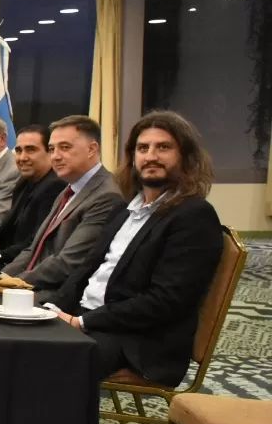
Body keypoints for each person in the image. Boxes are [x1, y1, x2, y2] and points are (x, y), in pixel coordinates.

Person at [48, 111, 224, 387]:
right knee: (6, 337)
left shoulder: (194, 216)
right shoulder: (125, 208)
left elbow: (165, 302)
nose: (151, 156)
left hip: (137, 340)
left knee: (38, 360)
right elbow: (86, 270)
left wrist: (82, 322)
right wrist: (52, 308)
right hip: (89, 318)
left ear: (186, 157)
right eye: (143, 148)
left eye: (163, 147)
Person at [4, 115, 125, 301]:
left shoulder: (106, 196)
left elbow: (67, 263)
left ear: (92, 149)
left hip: (58, 298)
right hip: (31, 287)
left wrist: (12, 285)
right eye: (52, 149)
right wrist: (0, 278)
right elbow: (33, 249)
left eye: (65, 147)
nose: (56, 156)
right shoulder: (69, 188)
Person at [0, 124, 67, 266]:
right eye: (18, 151)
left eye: (31, 150)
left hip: (22, 267)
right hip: (2, 258)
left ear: (50, 152)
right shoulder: (23, 182)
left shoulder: (55, 186)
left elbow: (35, 243)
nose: (22, 158)